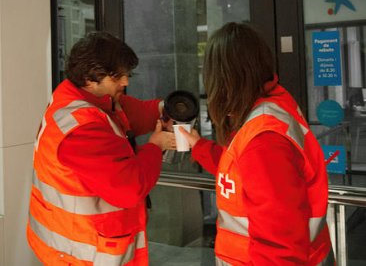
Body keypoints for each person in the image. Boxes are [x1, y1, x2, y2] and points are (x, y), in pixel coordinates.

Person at [179, 22, 335, 265]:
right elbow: (244, 171)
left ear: (223, 78)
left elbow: (279, 248)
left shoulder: (265, 140)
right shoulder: (272, 105)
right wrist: (198, 146)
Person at [26, 31, 176, 265]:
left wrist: (166, 108)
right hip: (82, 254)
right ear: (91, 77)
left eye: (127, 74)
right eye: (118, 77)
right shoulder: (81, 132)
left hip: (77, 243)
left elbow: (134, 113)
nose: (126, 82)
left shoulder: (83, 97)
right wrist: (155, 147)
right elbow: (129, 188)